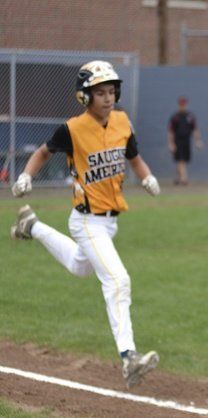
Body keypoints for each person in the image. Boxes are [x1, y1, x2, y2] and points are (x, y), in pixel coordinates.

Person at [9, 60, 162, 388]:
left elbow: (133, 157)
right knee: (118, 280)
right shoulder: (72, 129)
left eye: (111, 91)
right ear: (84, 96)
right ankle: (129, 357)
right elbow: (43, 152)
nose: (107, 98)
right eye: (100, 93)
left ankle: (31, 226)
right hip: (87, 221)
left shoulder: (121, 121)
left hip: (109, 223)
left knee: (80, 267)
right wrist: (25, 176)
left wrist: (146, 177)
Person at [167, 96, 203, 186]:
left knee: (184, 159)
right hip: (177, 140)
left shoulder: (190, 116)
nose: (182, 106)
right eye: (181, 105)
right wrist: (171, 143)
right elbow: (170, 131)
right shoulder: (175, 117)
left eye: (184, 105)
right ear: (178, 105)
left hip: (187, 140)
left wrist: (198, 141)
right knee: (181, 159)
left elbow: (195, 129)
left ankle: (177, 178)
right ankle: (184, 179)